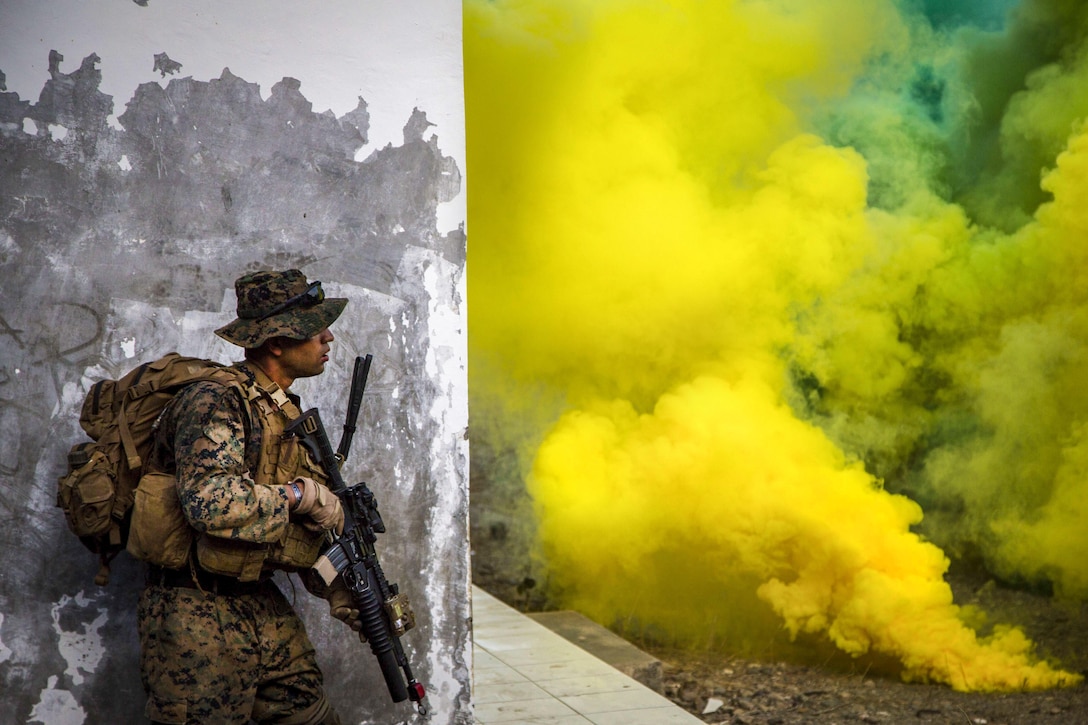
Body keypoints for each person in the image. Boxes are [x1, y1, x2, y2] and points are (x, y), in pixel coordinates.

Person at [138, 269, 362, 725]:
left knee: (310, 713)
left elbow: (299, 527)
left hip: (256, 600)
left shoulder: (280, 409)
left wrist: (335, 585)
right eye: (312, 328)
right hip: (195, 612)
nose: (328, 337)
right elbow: (209, 501)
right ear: (275, 342)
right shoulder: (215, 400)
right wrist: (301, 495)